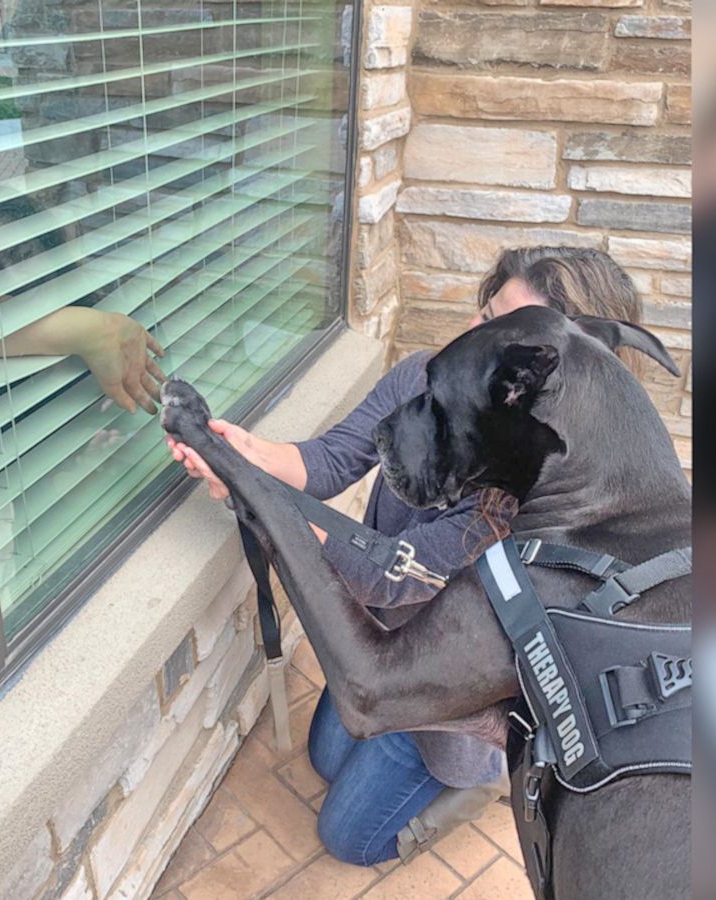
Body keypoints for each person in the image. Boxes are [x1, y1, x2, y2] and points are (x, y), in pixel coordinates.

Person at [167, 246, 651, 866]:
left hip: (445, 700)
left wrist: (255, 494)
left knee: (348, 840)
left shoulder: (530, 501)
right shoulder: (423, 377)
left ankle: (471, 788)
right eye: (486, 313)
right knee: (324, 757)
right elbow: (331, 459)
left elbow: (384, 573)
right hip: (382, 648)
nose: (475, 336)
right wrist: (245, 454)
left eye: (505, 333)